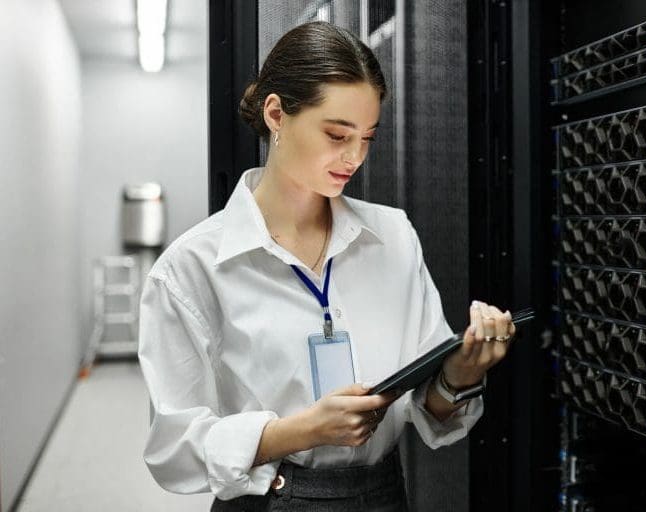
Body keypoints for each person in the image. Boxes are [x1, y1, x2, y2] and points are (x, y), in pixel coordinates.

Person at [138, 20, 516, 512]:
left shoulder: (392, 237)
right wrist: (297, 432)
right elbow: (173, 450)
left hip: (383, 493)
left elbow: (431, 411)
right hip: (270, 498)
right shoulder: (192, 268)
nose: (354, 157)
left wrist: (460, 375)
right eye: (337, 134)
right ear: (276, 114)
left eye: (368, 138)